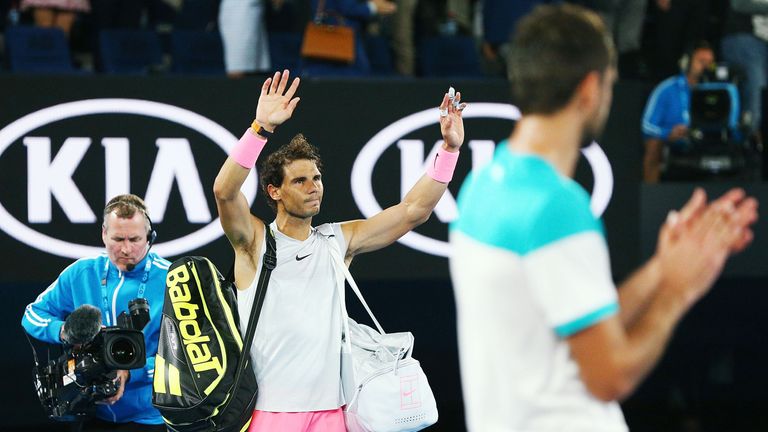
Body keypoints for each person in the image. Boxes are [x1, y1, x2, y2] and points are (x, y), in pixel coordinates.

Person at [449, 4, 758, 431]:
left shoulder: (485, 184)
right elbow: (610, 375)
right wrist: (679, 290)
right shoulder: (557, 208)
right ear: (591, 88)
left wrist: (661, 269)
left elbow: (583, 324)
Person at [212, 69, 465, 431]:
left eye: (316, 178)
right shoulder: (253, 241)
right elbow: (225, 192)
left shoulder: (336, 240)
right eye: (300, 180)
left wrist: (450, 150)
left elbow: (413, 211)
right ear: (274, 192)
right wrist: (260, 129)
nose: (313, 187)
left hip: (333, 414)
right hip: (269, 414)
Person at [21, 194, 169, 431]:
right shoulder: (82, 272)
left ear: (150, 238)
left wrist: (131, 373)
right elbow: (32, 315)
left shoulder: (171, 280)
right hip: (89, 413)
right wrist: (64, 332)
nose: (126, 248)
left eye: (135, 239)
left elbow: (186, 358)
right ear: (103, 234)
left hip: (148, 418)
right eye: (118, 239)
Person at [641, 41, 715, 182]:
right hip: (673, 142)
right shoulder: (667, 89)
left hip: (706, 141)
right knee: (653, 145)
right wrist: (668, 133)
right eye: (701, 61)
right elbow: (646, 125)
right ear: (687, 62)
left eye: (710, 63)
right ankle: (650, 195)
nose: (706, 67)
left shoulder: (719, 91)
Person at [721, 0, 768, 138]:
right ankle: (752, 145)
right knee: (758, 94)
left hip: (762, 43)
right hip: (744, 39)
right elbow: (738, 4)